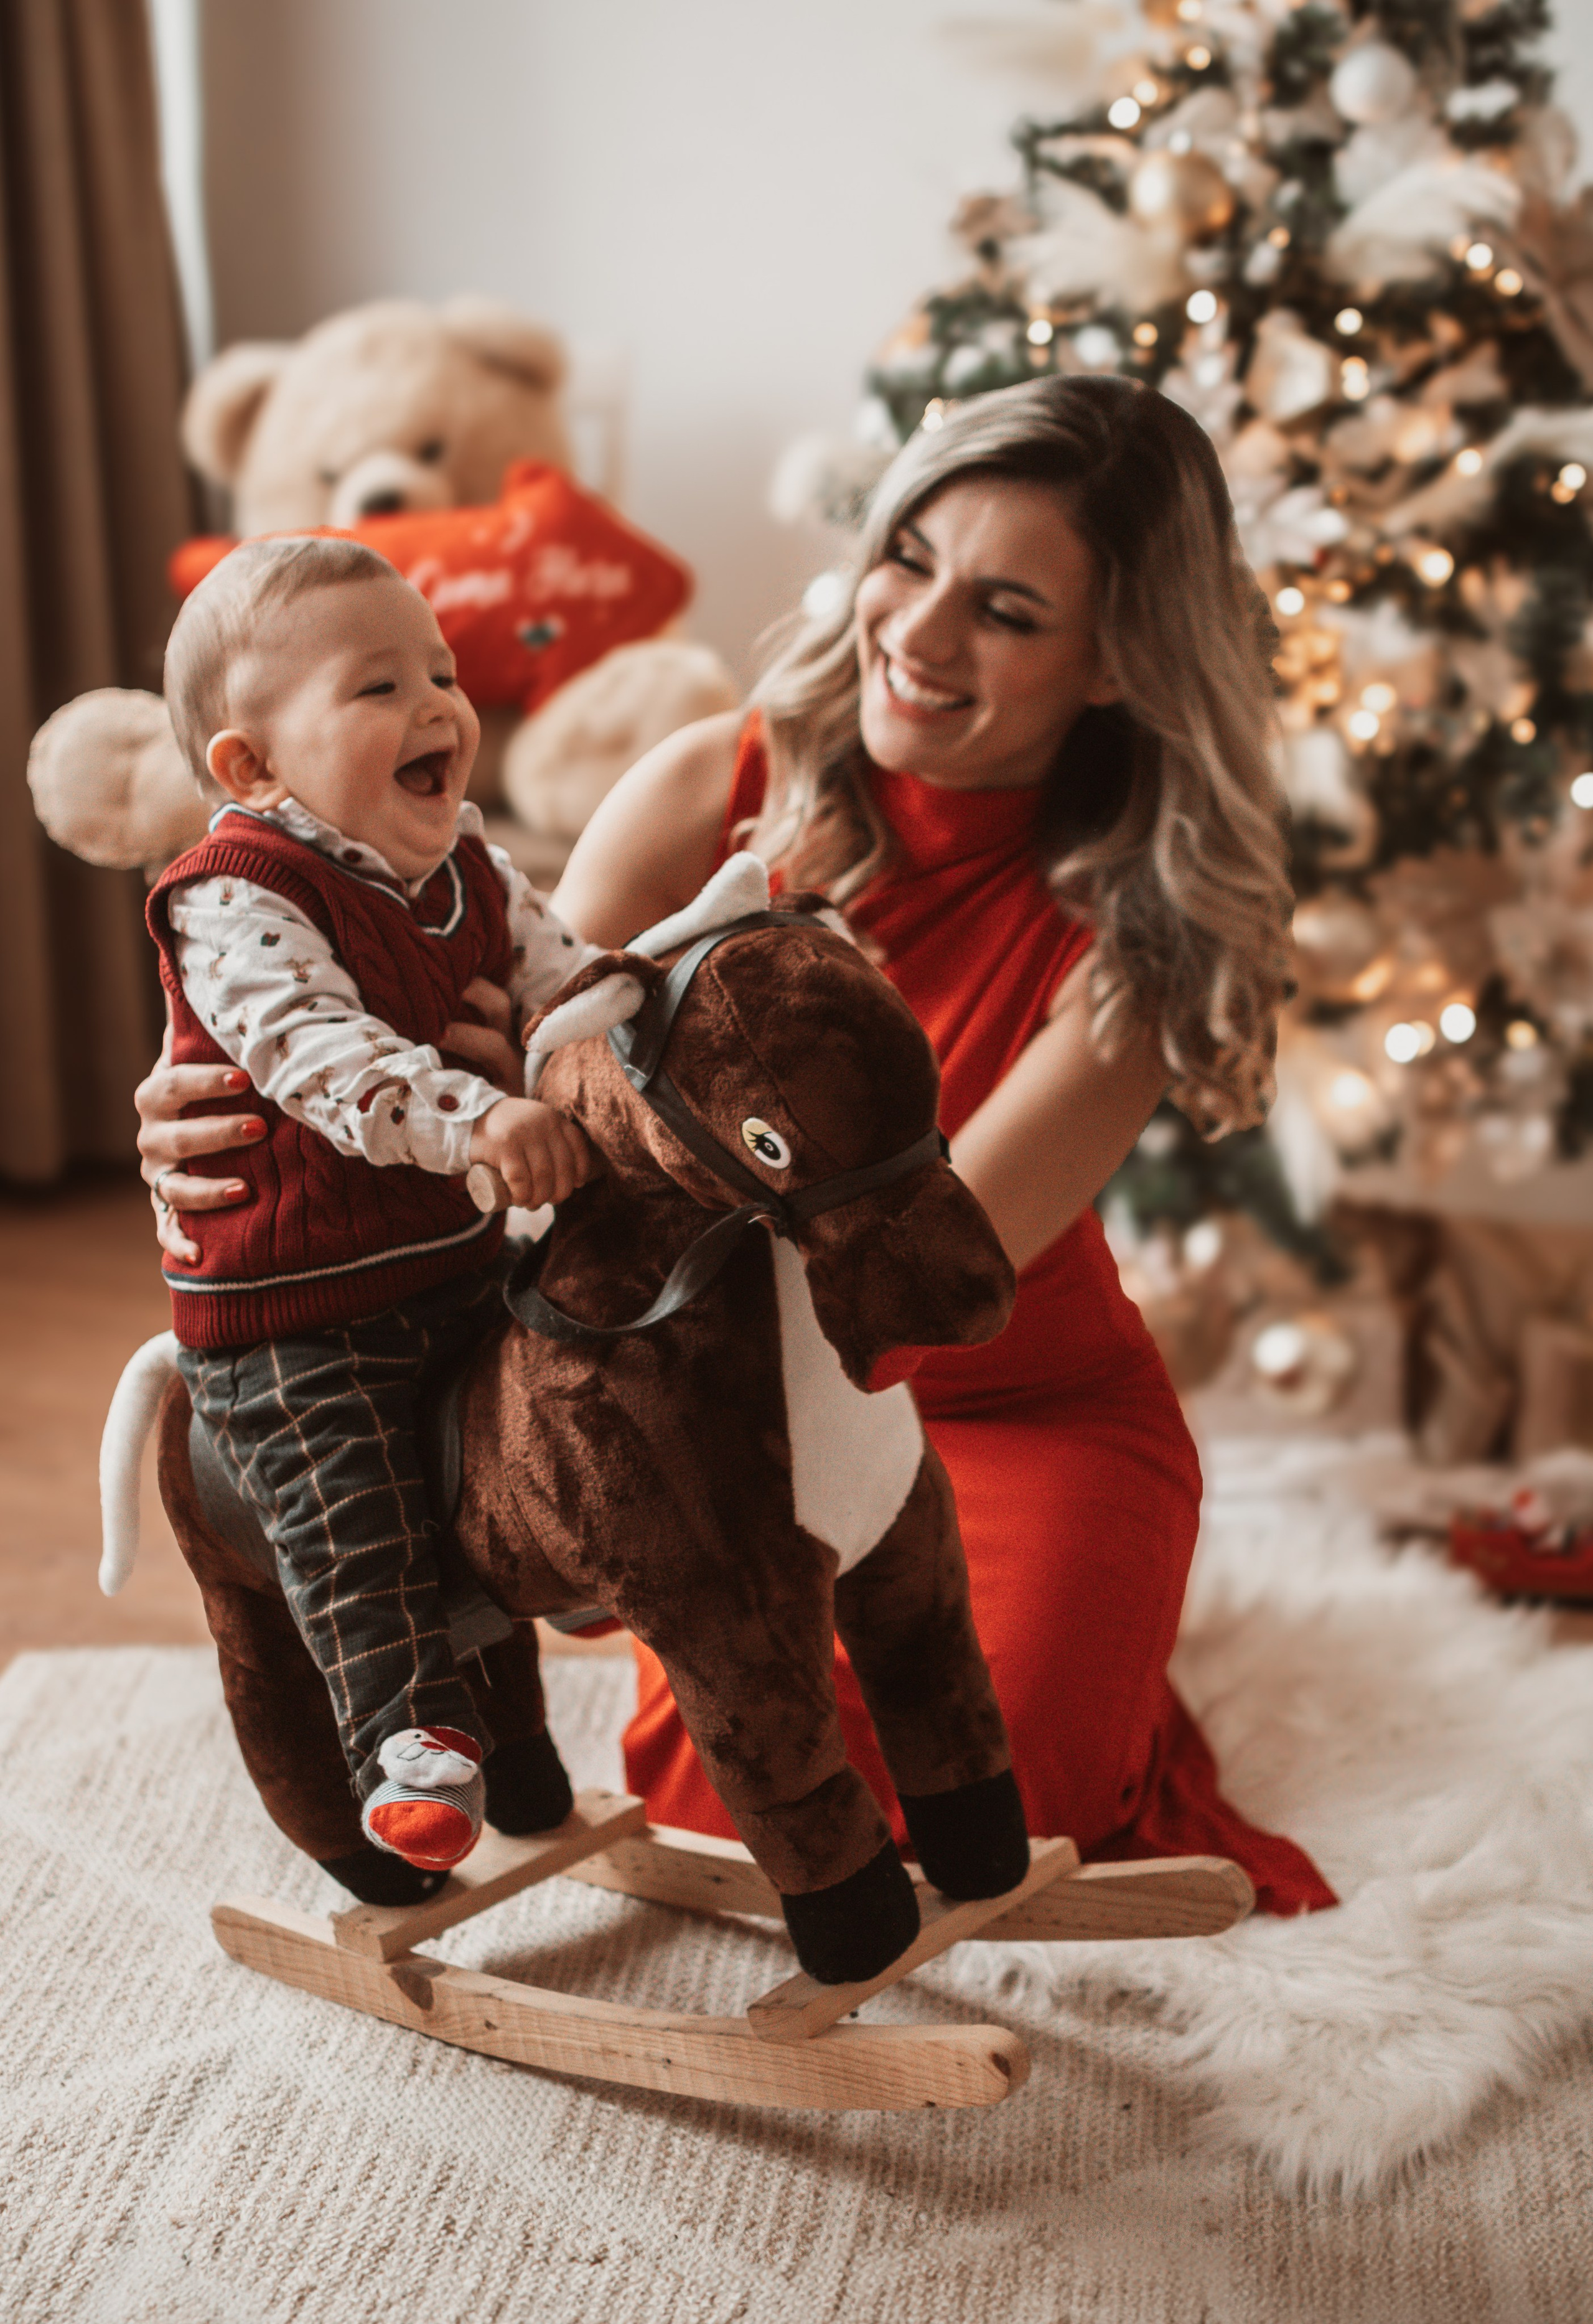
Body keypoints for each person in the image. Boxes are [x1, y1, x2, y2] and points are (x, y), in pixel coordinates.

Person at [139, 377, 1335, 1913]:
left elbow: (921, 1254)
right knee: (722, 1779)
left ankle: (1098, 1620)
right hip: (708, 1384)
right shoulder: (715, 780)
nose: (919, 629)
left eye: (1008, 608)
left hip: (994, 1391)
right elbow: (502, 1032)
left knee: (999, 1776)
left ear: (1113, 659)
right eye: (909, 557)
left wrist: (512, 1085)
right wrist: (222, 1087)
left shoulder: (1128, 940)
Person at [147, 535, 599, 1877]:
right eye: (378, 686)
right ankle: (410, 1746)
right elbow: (319, 1058)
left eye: (443, 672)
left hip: (442, 1261)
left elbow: (572, 980)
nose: (438, 707)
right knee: (362, 1520)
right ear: (253, 767)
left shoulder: (475, 867)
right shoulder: (237, 895)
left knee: (516, 1432)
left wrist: (599, 1039)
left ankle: (530, 1711)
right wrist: (485, 1117)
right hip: (293, 1313)